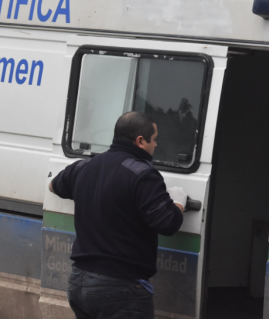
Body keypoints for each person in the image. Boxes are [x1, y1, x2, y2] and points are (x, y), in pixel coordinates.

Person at [49, 111, 187, 319]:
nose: (156, 145)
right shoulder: (143, 174)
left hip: (79, 282)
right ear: (140, 141)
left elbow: (53, 185)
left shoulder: (85, 166)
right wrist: (178, 203)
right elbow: (168, 222)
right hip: (120, 287)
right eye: (154, 139)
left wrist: (87, 190)